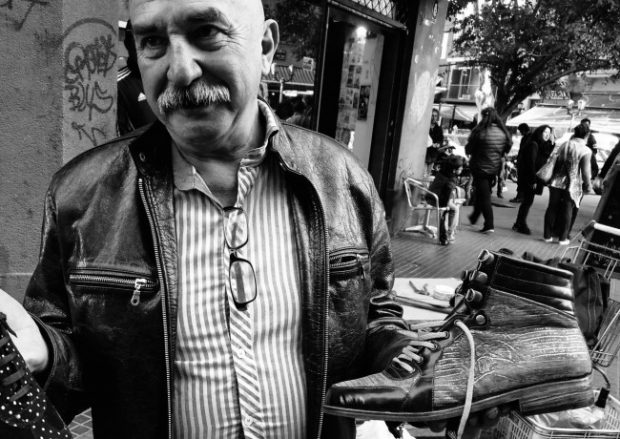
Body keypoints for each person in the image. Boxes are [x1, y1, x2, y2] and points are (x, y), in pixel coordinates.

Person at [0, 1, 502, 438]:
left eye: (206, 33)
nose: (178, 71)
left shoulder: (341, 178)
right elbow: (72, 356)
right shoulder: (82, 194)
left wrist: (417, 370)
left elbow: (373, 318)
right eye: (152, 41)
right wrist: (40, 348)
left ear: (265, 46)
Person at [543, 124, 593, 245]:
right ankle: (562, 238)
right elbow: (585, 172)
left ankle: (547, 236)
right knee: (567, 209)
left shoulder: (564, 144)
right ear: (587, 135)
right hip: (572, 184)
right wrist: (588, 185)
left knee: (552, 207)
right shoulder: (585, 150)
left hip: (555, 181)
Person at [465, 107, 513, 234]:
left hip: (479, 168)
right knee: (482, 193)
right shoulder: (503, 133)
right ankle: (474, 216)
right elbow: (506, 149)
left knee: (485, 196)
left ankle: (489, 224)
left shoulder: (479, 132)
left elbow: (468, 149)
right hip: (494, 169)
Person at [116, 20, 157, 135]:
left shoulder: (170, 77)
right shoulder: (119, 85)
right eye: (138, 41)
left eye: (152, 41)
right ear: (128, 44)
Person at [512, 125, 552, 235]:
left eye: (549, 132)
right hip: (530, 178)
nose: (547, 135)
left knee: (527, 202)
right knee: (527, 202)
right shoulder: (533, 144)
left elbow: (545, 156)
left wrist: (552, 143)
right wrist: (533, 180)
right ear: (540, 132)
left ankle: (518, 223)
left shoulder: (540, 144)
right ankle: (520, 224)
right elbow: (531, 163)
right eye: (545, 132)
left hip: (533, 177)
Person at [427, 155, 465, 245]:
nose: (462, 169)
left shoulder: (443, 172)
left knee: (452, 209)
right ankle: (449, 234)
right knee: (454, 209)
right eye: (460, 168)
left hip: (432, 196)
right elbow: (447, 198)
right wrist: (455, 202)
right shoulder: (451, 179)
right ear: (454, 169)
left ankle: (449, 233)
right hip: (437, 200)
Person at [509, 123, 530, 203]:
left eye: (521, 131)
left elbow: (524, 151)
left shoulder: (528, 138)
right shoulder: (526, 138)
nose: (520, 132)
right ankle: (520, 197)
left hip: (524, 164)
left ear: (524, 130)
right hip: (522, 163)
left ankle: (520, 197)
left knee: (521, 182)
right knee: (521, 182)